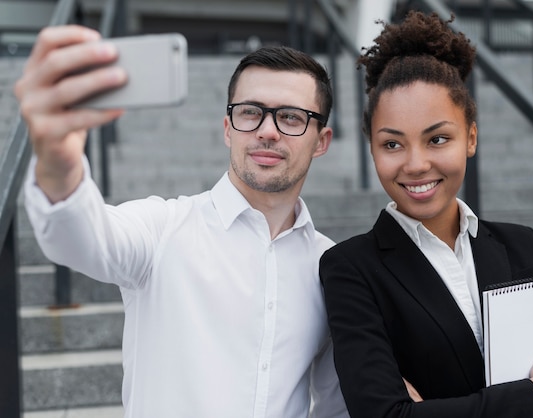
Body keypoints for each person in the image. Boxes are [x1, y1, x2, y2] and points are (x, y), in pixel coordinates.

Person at [16, 25, 349, 417]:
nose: (267, 131)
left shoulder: (332, 267)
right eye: (250, 112)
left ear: (321, 141)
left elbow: (335, 405)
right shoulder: (163, 229)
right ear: (228, 130)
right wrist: (59, 164)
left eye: (292, 118)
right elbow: (80, 238)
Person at [319, 10, 533, 418]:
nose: (415, 164)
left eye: (438, 139)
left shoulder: (523, 248)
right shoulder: (351, 269)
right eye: (392, 145)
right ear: (371, 148)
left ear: (471, 138)